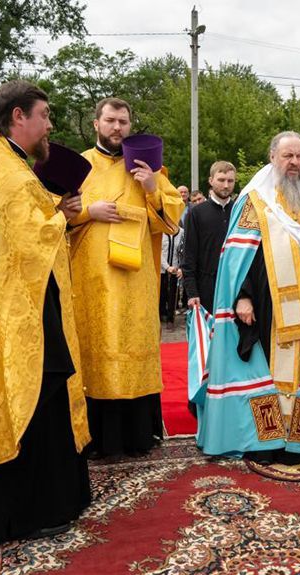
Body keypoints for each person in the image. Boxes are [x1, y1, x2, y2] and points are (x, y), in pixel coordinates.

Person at [0, 81, 91, 544]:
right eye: (44, 114)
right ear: (18, 117)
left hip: (31, 299)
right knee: (35, 399)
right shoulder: (6, 171)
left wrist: (54, 211)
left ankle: (53, 499)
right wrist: (60, 216)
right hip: (23, 310)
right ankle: (32, 510)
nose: (49, 124)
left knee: (44, 399)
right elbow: (25, 240)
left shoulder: (10, 163)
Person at [196, 131, 300, 457]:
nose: (294, 163)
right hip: (268, 308)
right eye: (287, 156)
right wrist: (242, 297)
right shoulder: (255, 200)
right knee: (269, 369)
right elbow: (237, 257)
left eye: (299, 156)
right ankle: (268, 440)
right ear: (273, 158)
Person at [67, 97, 184, 458]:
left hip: (136, 280)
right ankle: (97, 437)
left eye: (123, 121)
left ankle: (137, 436)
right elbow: (55, 216)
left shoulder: (149, 168)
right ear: (96, 122)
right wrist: (90, 211)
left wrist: (150, 187)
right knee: (96, 345)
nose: (117, 127)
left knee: (133, 344)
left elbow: (172, 223)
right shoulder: (79, 165)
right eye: (111, 120)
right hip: (91, 280)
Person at [182, 160, 237, 314]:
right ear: (211, 180)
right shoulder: (197, 213)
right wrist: (192, 292)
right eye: (221, 180)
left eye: (230, 181)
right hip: (207, 287)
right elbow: (189, 254)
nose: (226, 185)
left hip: (236, 286)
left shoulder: (240, 211)